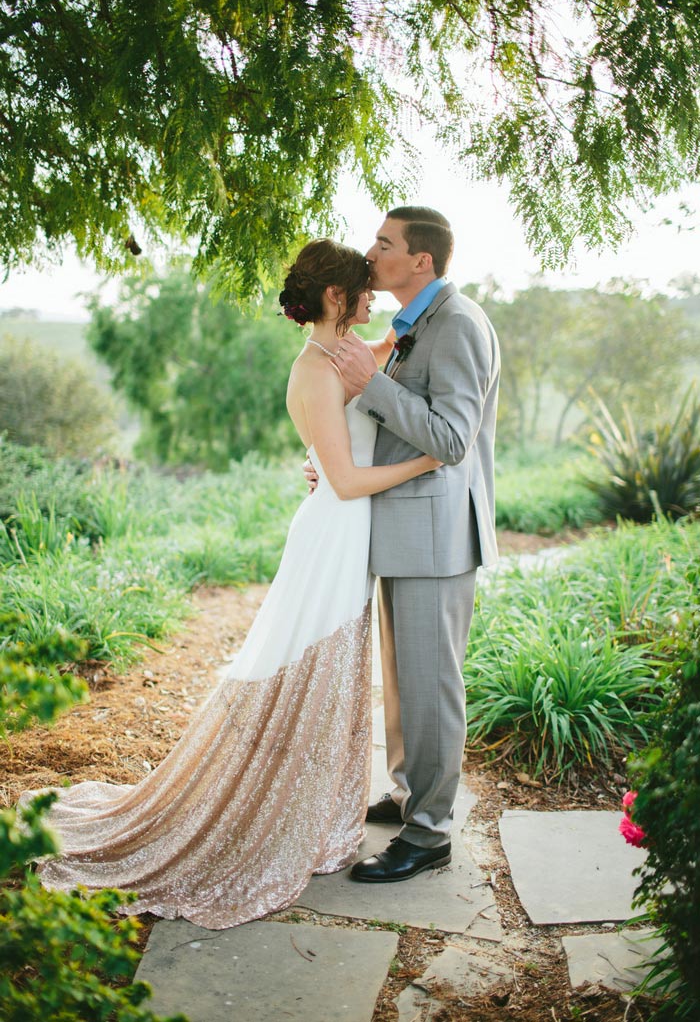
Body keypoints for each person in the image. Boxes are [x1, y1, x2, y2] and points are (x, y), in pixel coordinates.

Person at [18, 238, 441, 930]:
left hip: (345, 533)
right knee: (303, 671)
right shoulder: (315, 369)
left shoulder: (346, 355)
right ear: (335, 299)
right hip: (332, 536)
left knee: (328, 673)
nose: (374, 299)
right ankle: (266, 817)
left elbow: (372, 394)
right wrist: (424, 462)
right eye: (363, 289)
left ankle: (323, 811)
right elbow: (343, 478)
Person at [306, 207, 500, 882]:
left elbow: (451, 439)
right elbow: (404, 424)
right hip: (403, 528)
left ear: (421, 260)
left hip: (437, 537)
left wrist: (372, 385)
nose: (371, 252)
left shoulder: (458, 324)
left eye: (384, 244)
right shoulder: (413, 322)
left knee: (430, 685)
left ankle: (430, 834)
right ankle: (408, 794)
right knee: (404, 684)